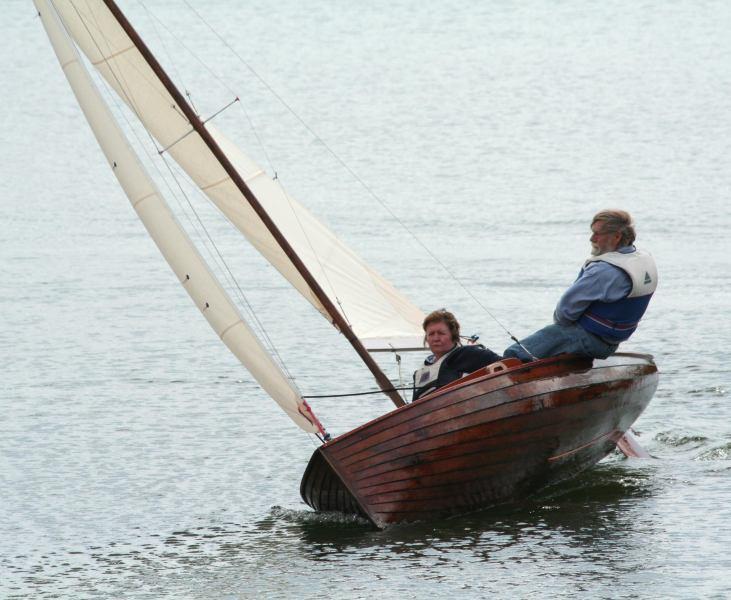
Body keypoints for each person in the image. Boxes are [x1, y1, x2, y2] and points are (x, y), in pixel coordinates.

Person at [503, 209, 657, 362]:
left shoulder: (603, 270)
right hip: (612, 342)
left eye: (598, 234)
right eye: (592, 233)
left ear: (617, 237)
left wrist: (562, 333)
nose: (592, 238)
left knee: (515, 354)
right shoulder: (642, 259)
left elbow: (564, 313)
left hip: (591, 340)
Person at [413, 309, 501, 401]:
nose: (436, 338)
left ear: (453, 335)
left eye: (441, 333)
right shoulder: (419, 374)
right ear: (426, 338)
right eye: (431, 334)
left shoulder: (468, 354)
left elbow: (508, 364)